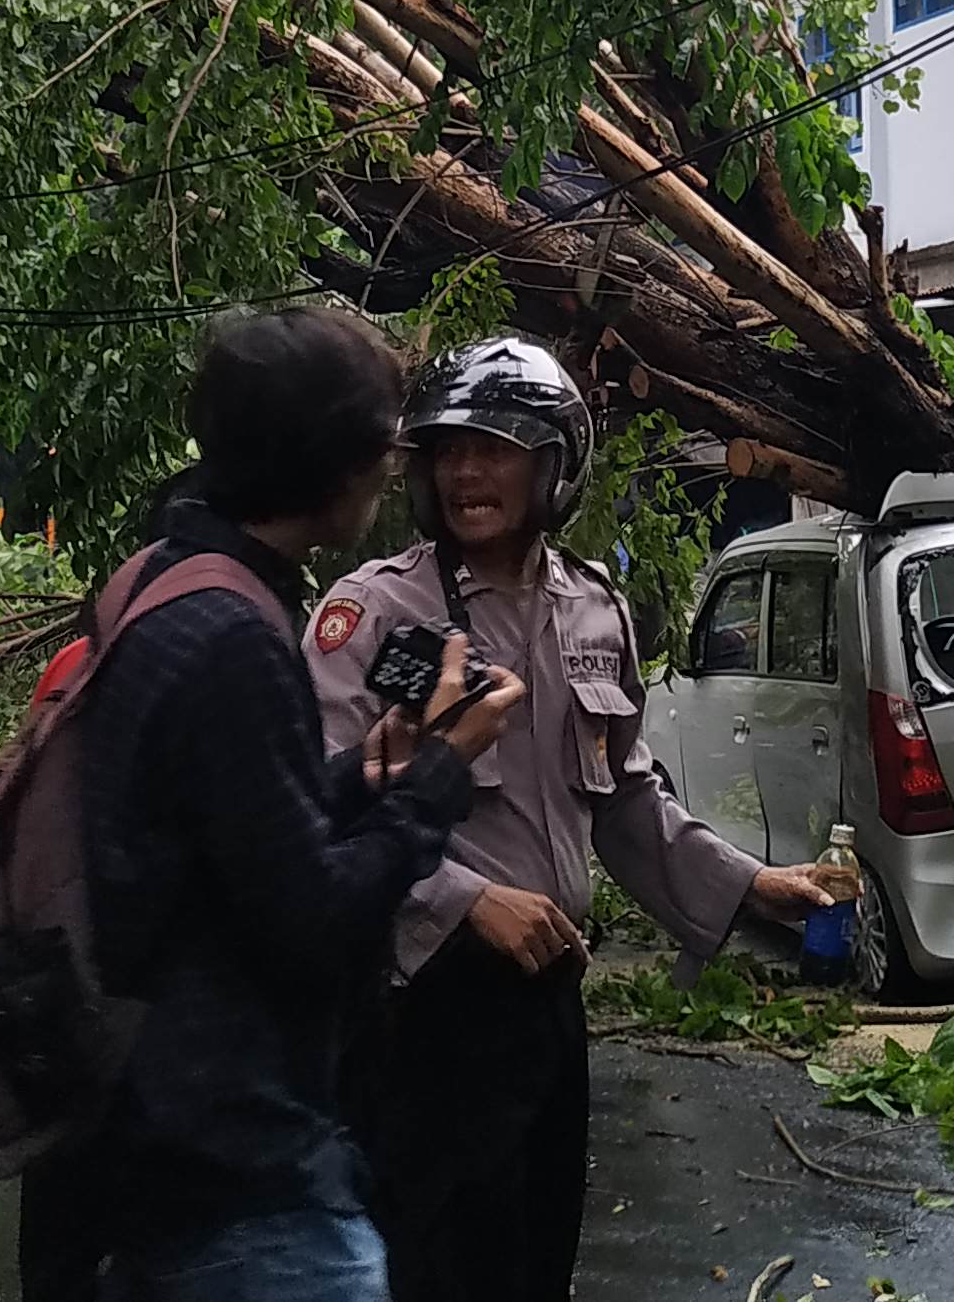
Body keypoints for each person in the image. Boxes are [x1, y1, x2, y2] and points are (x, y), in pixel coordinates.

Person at [309, 336, 840, 1302]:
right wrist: (468, 901)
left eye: (497, 447)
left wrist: (749, 884)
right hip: (422, 1002)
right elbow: (328, 803)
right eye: (450, 450)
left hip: (550, 991)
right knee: (441, 1269)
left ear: (556, 465)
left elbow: (629, 797)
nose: (468, 471)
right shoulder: (378, 613)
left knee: (536, 1254)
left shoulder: (593, 609)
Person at [28, 304, 522, 1302]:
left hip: (145, 1121)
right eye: (385, 441)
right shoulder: (234, 636)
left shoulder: (163, 577)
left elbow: (221, 832)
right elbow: (312, 917)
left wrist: (365, 776)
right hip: (235, 1159)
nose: (396, 466)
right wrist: (438, 777)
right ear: (330, 460)